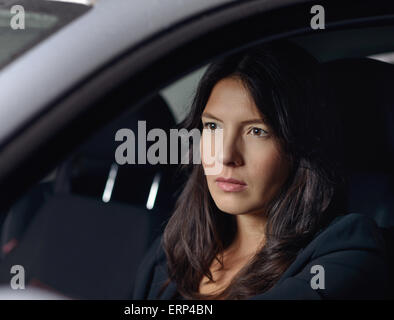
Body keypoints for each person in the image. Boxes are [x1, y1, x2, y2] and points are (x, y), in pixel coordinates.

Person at [132, 42, 391, 300]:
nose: (226, 156)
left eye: (257, 131)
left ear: (300, 146)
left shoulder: (347, 251)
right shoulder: (174, 249)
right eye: (213, 127)